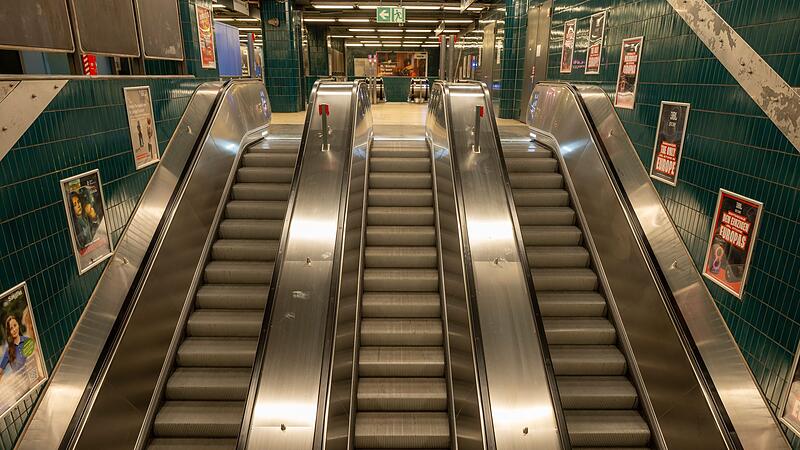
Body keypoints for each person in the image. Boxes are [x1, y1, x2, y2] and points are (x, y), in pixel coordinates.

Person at [0, 316, 31, 381]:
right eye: (11, 328)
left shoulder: (27, 341)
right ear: (9, 332)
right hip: (21, 384)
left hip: (33, 378)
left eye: (15, 325)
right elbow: (0, 371)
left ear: (18, 325)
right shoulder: (8, 351)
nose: (14, 330)